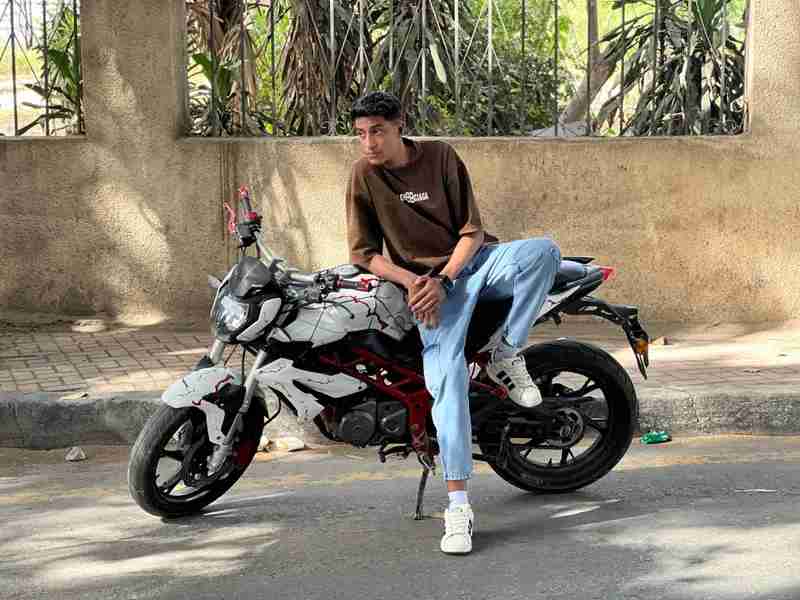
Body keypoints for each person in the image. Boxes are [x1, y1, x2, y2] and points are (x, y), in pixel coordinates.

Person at [346, 91, 561, 554]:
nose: (369, 143)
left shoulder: (441, 156)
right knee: (447, 381)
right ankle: (458, 506)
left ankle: (507, 351)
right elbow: (363, 254)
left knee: (544, 251)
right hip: (427, 290)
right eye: (361, 134)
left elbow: (472, 232)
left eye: (377, 131)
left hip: (473, 264)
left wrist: (445, 277)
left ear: (400, 125)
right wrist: (414, 282)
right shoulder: (364, 174)